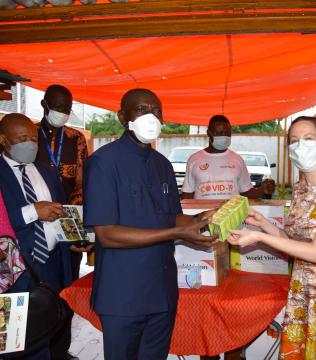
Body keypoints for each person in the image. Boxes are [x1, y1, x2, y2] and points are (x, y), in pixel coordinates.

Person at [83, 88, 216, 360]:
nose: (151, 117)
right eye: (141, 109)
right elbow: (107, 235)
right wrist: (179, 230)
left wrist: (202, 219)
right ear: (123, 117)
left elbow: (171, 217)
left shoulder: (163, 164)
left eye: (156, 111)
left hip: (162, 291)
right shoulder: (103, 163)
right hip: (124, 293)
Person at [228, 116, 316, 359]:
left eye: (308, 139)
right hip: (303, 289)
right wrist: (264, 225)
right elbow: (294, 241)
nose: (300, 146)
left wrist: (259, 238)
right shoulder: (301, 188)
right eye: (294, 141)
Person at [0, 113, 73, 360]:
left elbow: (61, 212)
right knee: (13, 341)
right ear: (3, 140)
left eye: (33, 138)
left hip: (51, 263)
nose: (29, 143)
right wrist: (33, 211)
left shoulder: (47, 171)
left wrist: (74, 236)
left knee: (53, 326)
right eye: (21, 138)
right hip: (14, 272)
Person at [37, 84, 91, 282]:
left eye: (67, 109)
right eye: (58, 107)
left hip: (69, 226)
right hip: (36, 224)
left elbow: (81, 185)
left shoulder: (76, 139)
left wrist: (75, 228)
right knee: (38, 286)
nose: (62, 113)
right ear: (45, 105)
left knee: (67, 284)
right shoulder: (28, 136)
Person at [181, 114, 275, 200]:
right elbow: (187, 194)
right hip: (202, 216)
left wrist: (262, 190)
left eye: (227, 133)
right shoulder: (194, 159)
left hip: (231, 217)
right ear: (209, 133)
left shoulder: (237, 159)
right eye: (219, 133)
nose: (224, 136)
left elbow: (246, 191)